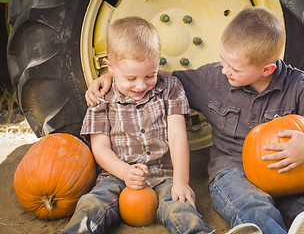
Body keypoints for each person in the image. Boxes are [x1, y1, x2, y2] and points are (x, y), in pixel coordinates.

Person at [85, 7, 304, 234]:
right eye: (223, 60)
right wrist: (113, 76)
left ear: (268, 68)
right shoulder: (213, 77)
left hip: (290, 169)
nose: (224, 70)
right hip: (232, 170)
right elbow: (157, 77)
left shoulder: (297, 84)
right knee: (251, 205)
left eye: (234, 67)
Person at [62, 16, 263, 234]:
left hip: (164, 175)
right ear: (110, 67)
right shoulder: (101, 97)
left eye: (150, 75)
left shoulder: (170, 88)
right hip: (116, 175)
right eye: (130, 78)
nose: (141, 85)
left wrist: (181, 181)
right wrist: (125, 172)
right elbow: (100, 148)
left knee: (182, 209)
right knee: (91, 204)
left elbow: (177, 136)